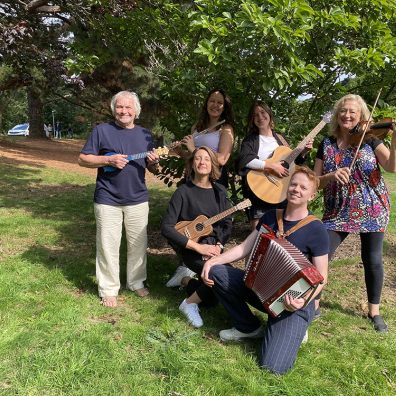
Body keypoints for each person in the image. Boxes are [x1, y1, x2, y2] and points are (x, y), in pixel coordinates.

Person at [201, 167, 329, 375]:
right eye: (294, 184)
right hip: (260, 288)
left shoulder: (316, 229)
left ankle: (296, 327)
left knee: (273, 367)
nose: (296, 189)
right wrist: (214, 261)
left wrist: (301, 301)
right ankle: (248, 327)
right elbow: (245, 248)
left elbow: (322, 278)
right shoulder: (271, 216)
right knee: (217, 272)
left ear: (312, 195)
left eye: (303, 187)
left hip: (292, 303)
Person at [314, 94, 396, 332]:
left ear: (361, 116)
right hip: (338, 210)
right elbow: (315, 182)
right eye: (343, 111)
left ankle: (374, 311)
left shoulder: (370, 139)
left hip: (372, 208)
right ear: (337, 115)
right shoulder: (327, 143)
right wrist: (330, 176)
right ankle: (314, 302)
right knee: (321, 254)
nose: (347, 115)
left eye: (353, 112)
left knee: (372, 260)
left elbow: (392, 166)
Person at [78, 90, 160, 307]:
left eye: (128, 107)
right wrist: (109, 160)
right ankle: (108, 288)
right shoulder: (101, 131)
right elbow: (83, 159)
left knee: (137, 244)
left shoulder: (145, 135)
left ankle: (136, 282)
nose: (124, 111)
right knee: (108, 245)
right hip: (107, 198)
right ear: (114, 109)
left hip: (138, 198)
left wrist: (154, 162)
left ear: (136, 111)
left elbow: (153, 167)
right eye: (120, 107)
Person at [166, 88, 235, 286]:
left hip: (213, 180)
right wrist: (181, 152)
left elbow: (221, 159)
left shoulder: (226, 129)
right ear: (206, 103)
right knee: (186, 223)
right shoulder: (198, 126)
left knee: (211, 226)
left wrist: (194, 149)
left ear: (224, 107)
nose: (215, 105)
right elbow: (192, 157)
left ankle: (204, 268)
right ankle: (188, 268)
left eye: (219, 102)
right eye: (212, 101)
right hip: (193, 178)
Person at [161, 146, 233, 328]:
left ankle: (186, 280)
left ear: (212, 165)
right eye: (198, 158)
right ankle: (188, 304)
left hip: (214, 248)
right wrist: (198, 247)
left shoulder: (220, 192)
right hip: (192, 249)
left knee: (213, 299)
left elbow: (227, 224)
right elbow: (167, 227)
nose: (202, 162)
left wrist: (219, 244)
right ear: (192, 164)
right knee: (219, 276)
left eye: (207, 159)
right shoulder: (183, 192)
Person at [238, 101, 312, 230]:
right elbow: (245, 160)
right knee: (259, 236)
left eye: (262, 112)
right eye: (255, 115)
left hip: (281, 194)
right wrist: (272, 166)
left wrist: (304, 151)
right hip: (260, 195)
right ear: (252, 119)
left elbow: (291, 163)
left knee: (282, 235)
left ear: (269, 115)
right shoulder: (251, 140)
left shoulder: (280, 138)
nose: (260, 117)